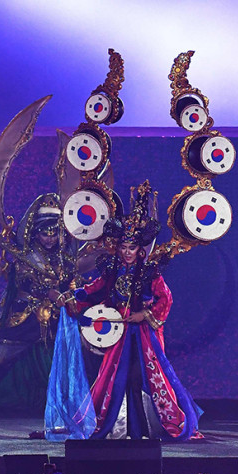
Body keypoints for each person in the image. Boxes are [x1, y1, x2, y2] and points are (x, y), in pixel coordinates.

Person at [59, 182, 201, 441]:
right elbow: (94, 290)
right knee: (115, 378)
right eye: (123, 248)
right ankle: (121, 426)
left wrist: (144, 315)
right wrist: (73, 298)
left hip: (144, 334)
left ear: (140, 250)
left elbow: (165, 298)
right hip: (119, 334)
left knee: (145, 377)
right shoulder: (112, 270)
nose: (126, 253)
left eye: (132, 248)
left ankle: (149, 427)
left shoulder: (149, 273)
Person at [0, 195, 75, 414]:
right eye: (45, 234)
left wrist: (73, 290)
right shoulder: (26, 257)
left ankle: (61, 404)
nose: (50, 239)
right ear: (36, 233)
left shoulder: (64, 258)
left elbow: (71, 281)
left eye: (54, 234)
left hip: (55, 317)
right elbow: (25, 281)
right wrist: (49, 292)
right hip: (25, 315)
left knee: (63, 359)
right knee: (1, 356)